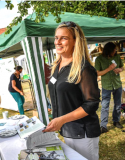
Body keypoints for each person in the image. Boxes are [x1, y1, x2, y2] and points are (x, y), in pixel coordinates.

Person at [44, 21, 101, 160]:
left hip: (83, 132)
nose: (58, 42)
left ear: (75, 41)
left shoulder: (83, 68)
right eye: (56, 38)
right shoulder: (57, 66)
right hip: (66, 130)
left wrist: (62, 119)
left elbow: (91, 104)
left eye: (64, 38)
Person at [95, 42, 124, 133]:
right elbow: (97, 73)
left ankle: (116, 121)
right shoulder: (99, 59)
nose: (115, 51)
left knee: (118, 104)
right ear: (108, 50)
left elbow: (122, 67)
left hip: (117, 84)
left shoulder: (117, 57)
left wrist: (120, 69)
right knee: (104, 106)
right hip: (106, 86)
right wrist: (109, 68)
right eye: (114, 50)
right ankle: (103, 126)